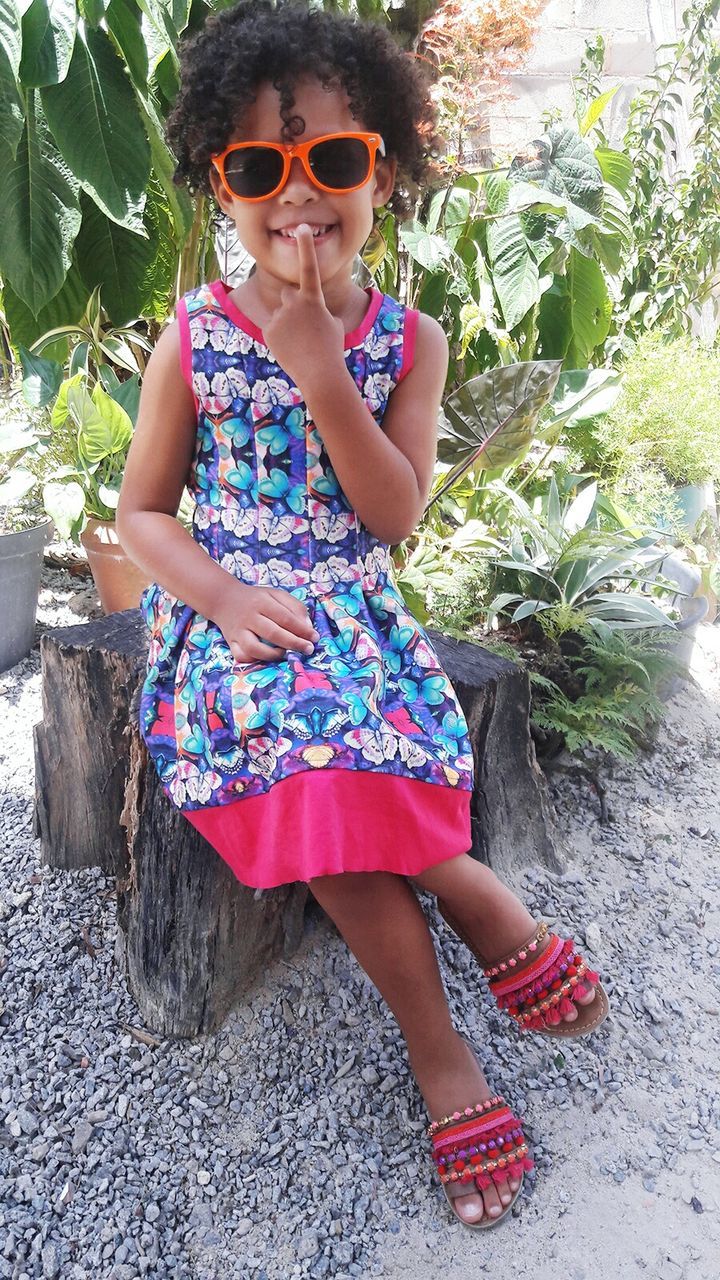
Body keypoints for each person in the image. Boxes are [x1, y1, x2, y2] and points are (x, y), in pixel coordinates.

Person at [117, 0, 610, 1231]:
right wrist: (222, 596)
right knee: (314, 758)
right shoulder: (192, 339)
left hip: (355, 612)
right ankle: (459, 974)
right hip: (232, 627)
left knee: (348, 743)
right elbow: (141, 517)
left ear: (381, 166)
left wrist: (324, 369)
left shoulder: (411, 340)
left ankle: (457, 952)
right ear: (217, 187)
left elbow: (390, 517)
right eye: (258, 169)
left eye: (333, 161)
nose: (300, 197)